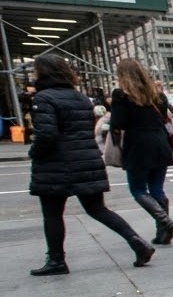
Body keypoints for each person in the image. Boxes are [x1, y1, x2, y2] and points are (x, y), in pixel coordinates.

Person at [26, 54, 153, 275]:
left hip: (57, 163)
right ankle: (137, 241)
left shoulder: (43, 98)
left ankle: (56, 260)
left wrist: (34, 152)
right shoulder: (80, 97)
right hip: (86, 159)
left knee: (53, 213)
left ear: (42, 73)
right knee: (97, 208)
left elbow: (47, 135)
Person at [110, 59, 173, 247]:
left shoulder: (121, 95)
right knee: (157, 187)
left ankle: (165, 221)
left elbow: (119, 123)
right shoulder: (157, 95)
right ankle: (163, 233)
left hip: (138, 144)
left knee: (138, 189)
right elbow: (165, 117)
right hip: (160, 143)